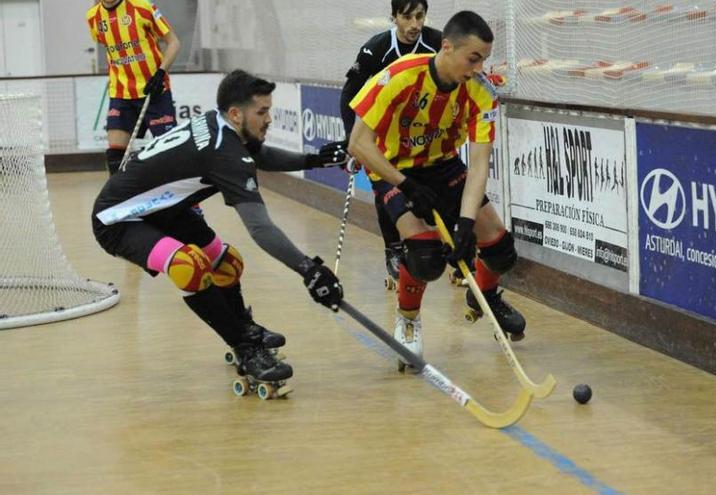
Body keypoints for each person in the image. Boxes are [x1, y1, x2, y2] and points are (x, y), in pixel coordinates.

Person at [92, 70, 346, 388]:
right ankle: (244, 345)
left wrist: (313, 160)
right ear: (236, 113)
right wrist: (309, 270)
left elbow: (258, 154)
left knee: (228, 264)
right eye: (262, 112)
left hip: (163, 211)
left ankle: (243, 326)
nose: (269, 119)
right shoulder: (224, 153)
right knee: (190, 267)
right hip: (118, 220)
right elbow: (261, 229)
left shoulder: (221, 124)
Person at [348, 11, 526, 367]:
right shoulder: (398, 77)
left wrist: (464, 222)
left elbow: (477, 166)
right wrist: (407, 186)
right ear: (447, 47)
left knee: (500, 248)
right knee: (425, 256)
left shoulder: (480, 92)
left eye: (484, 60)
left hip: (442, 165)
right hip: (392, 166)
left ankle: (484, 297)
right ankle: (408, 322)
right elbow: (358, 143)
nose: (478, 68)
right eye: (472, 58)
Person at [339, 0, 443, 291]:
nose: (414, 25)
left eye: (419, 16)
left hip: (423, 134)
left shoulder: (436, 43)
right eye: (407, 17)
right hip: (383, 135)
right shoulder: (376, 48)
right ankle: (394, 249)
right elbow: (350, 93)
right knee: (388, 189)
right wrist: (353, 140)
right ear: (394, 17)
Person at [87, 0, 181, 175]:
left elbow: (174, 42)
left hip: (154, 92)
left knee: (171, 155)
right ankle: (121, 201)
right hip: (121, 93)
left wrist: (160, 73)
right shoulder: (93, 17)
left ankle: (189, 203)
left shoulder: (142, 7)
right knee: (115, 157)